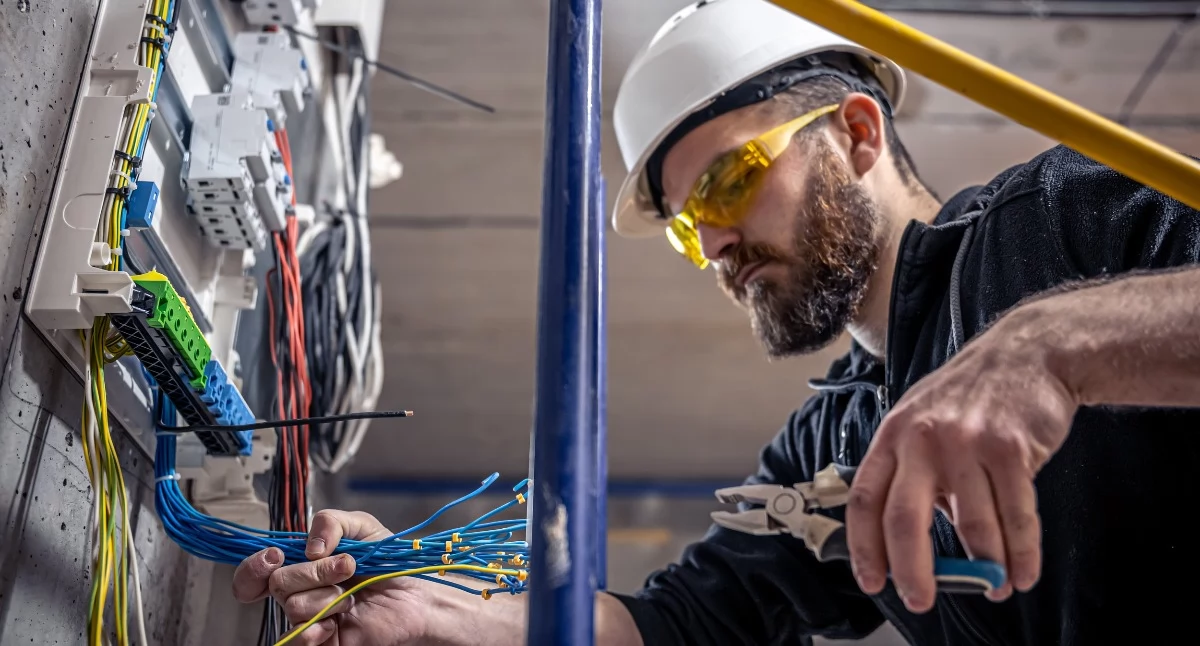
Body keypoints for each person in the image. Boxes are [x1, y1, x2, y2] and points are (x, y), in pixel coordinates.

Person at [233, 0, 1200, 643]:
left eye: (732, 181)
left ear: (858, 134)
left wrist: (1052, 347)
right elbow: (676, 628)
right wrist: (436, 611)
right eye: (690, 227)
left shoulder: (1056, 225)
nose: (719, 242)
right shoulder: (829, 445)